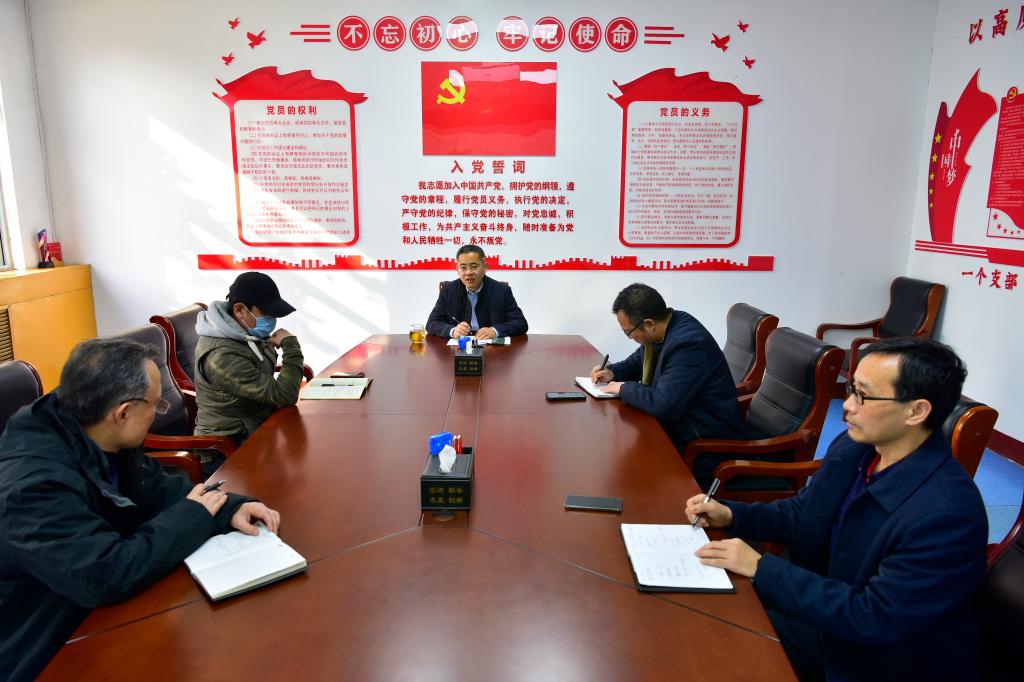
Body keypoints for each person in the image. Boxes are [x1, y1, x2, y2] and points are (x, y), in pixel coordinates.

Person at [686, 337, 987, 681]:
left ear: (916, 411)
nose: (846, 406)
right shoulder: (857, 448)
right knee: (702, 618)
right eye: (851, 389)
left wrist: (761, 568)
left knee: (716, 650)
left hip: (877, 659)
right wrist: (733, 514)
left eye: (862, 395)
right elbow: (804, 513)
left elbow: (875, 617)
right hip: (825, 614)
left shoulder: (947, 516)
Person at [0, 338, 281, 681]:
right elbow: (105, 574)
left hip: (98, 616)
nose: (160, 410)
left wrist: (228, 507)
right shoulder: (32, 488)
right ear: (122, 413)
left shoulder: (93, 426)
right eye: (157, 404)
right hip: (43, 648)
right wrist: (196, 515)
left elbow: (157, 489)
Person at [591, 283, 745, 486]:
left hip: (704, 445)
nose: (630, 338)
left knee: (628, 473)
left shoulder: (688, 345)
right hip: (680, 429)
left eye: (628, 333)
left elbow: (663, 404)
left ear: (649, 324)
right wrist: (612, 373)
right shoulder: (668, 325)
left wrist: (622, 388)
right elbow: (637, 361)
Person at [194, 271, 305, 443]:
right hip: (229, 445)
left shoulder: (245, 332)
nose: (272, 319)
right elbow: (285, 395)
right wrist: (290, 345)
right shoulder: (222, 356)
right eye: (266, 312)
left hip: (259, 426)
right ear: (239, 310)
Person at [426, 244, 528, 340]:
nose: (468, 272)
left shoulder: (502, 290)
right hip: (459, 347)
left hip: (492, 348)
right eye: (463, 267)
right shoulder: (448, 290)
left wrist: (494, 331)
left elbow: (520, 323)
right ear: (458, 269)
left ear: (485, 267)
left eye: (474, 266)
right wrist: (452, 331)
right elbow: (432, 323)